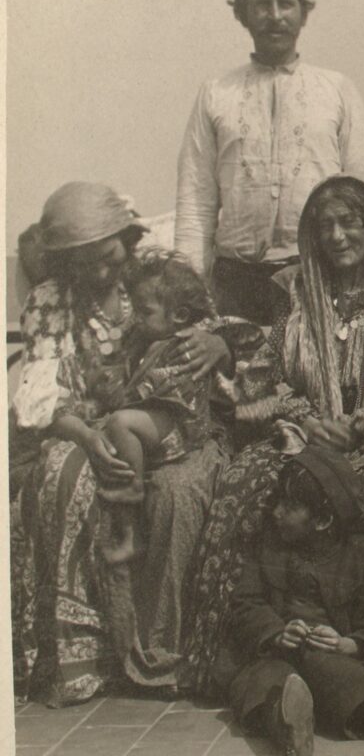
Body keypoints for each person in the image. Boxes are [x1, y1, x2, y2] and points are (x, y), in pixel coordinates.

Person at [184, 174, 364, 696]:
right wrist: (307, 418)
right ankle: (238, 655)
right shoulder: (295, 291)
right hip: (306, 434)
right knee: (242, 490)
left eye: (349, 222)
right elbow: (270, 371)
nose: (337, 236)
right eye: (324, 226)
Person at [9, 182, 237, 705]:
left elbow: (211, 334)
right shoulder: (51, 302)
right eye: (82, 263)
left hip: (171, 424)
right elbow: (46, 401)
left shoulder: (158, 276)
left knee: (178, 491)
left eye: (107, 256)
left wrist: (218, 345)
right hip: (83, 428)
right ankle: (82, 660)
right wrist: (91, 438)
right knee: (62, 478)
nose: (100, 273)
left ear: (126, 236)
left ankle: (163, 653)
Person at [176, 0, 364, 325]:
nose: (275, 16)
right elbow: (195, 202)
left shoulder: (336, 89)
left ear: (302, 12)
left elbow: (362, 191)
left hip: (317, 274)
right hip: (235, 281)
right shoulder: (216, 93)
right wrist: (189, 293)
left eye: (285, 3)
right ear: (244, 14)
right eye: (262, 4)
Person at [221, 446, 364, 756]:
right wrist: (277, 632)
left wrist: (345, 644)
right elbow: (246, 603)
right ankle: (292, 727)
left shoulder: (362, 560)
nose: (276, 513)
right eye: (278, 502)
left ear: (323, 519)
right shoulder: (269, 549)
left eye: (291, 506)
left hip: (335, 661)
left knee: (322, 663)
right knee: (263, 682)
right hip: (276, 657)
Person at [98, 250, 218, 564]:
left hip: (180, 423)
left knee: (119, 423)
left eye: (145, 310)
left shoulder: (182, 343)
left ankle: (134, 488)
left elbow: (159, 384)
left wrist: (126, 396)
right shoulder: (147, 339)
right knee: (115, 426)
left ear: (178, 314)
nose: (137, 317)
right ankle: (131, 536)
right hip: (162, 415)